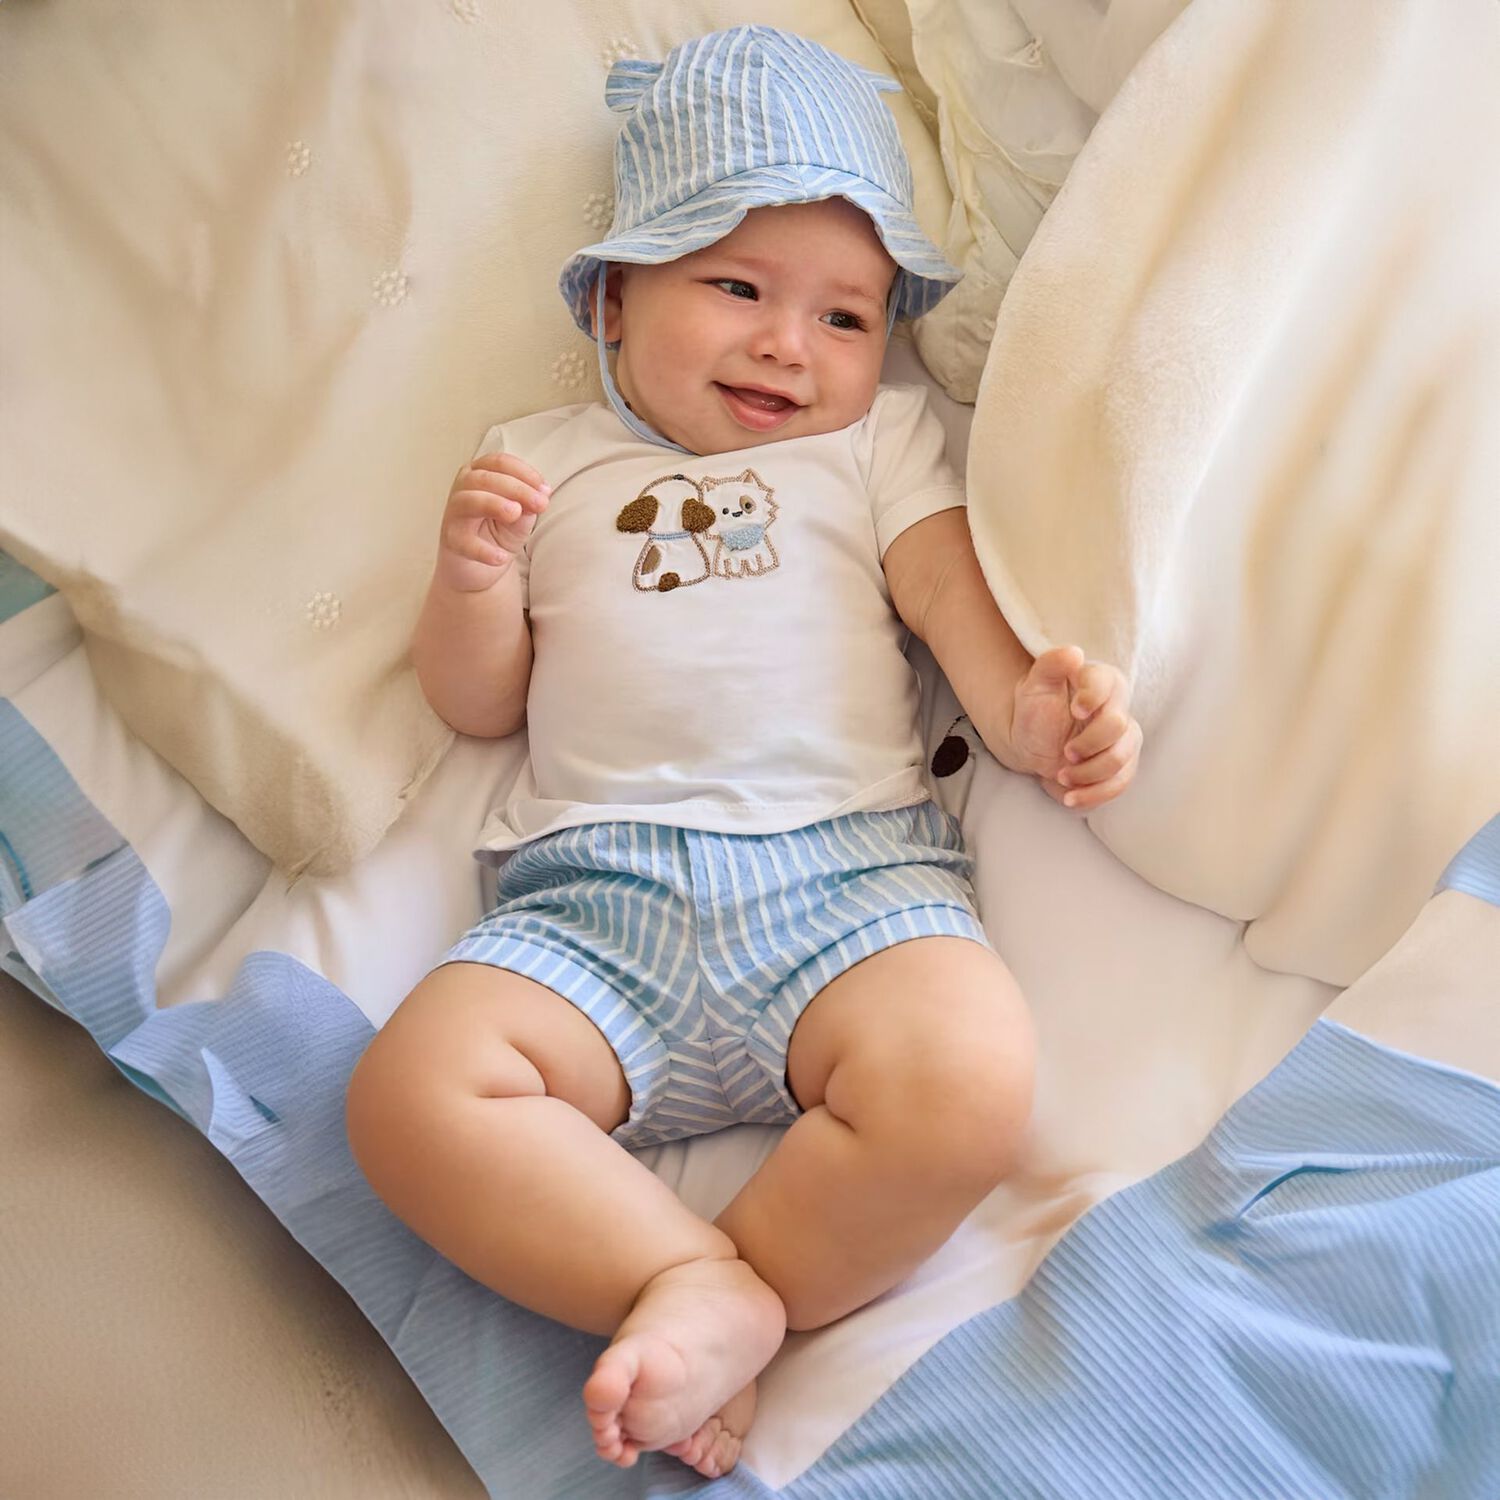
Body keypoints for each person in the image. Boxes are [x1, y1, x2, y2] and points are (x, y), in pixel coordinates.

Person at [345, 26, 1142, 1482]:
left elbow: (956, 618)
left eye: (848, 318)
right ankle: (687, 1278)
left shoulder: (877, 448)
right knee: (408, 1096)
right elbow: (479, 705)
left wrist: (1035, 713)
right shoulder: (547, 456)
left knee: (969, 1080)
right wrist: (469, 584)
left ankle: (732, 1287)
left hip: (848, 891)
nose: (792, 344)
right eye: (736, 289)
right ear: (617, 295)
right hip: (591, 905)